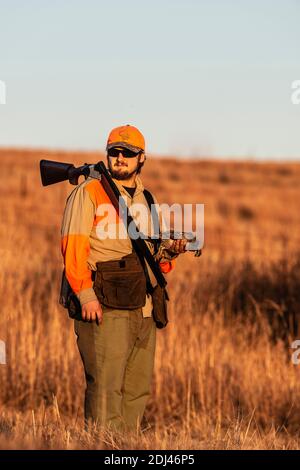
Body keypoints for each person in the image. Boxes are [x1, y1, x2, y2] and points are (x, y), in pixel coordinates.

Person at [61, 125, 186, 432]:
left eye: (128, 154)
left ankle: (126, 447)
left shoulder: (147, 199)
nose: (120, 158)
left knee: (137, 388)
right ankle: (103, 446)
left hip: (143, 306)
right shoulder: (88, 192)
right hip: (105, 303)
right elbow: (72, 245)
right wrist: (85, 294)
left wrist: (171, 253)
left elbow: (150, 255)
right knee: (106, 386)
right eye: (114, 152)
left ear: (142, 158)